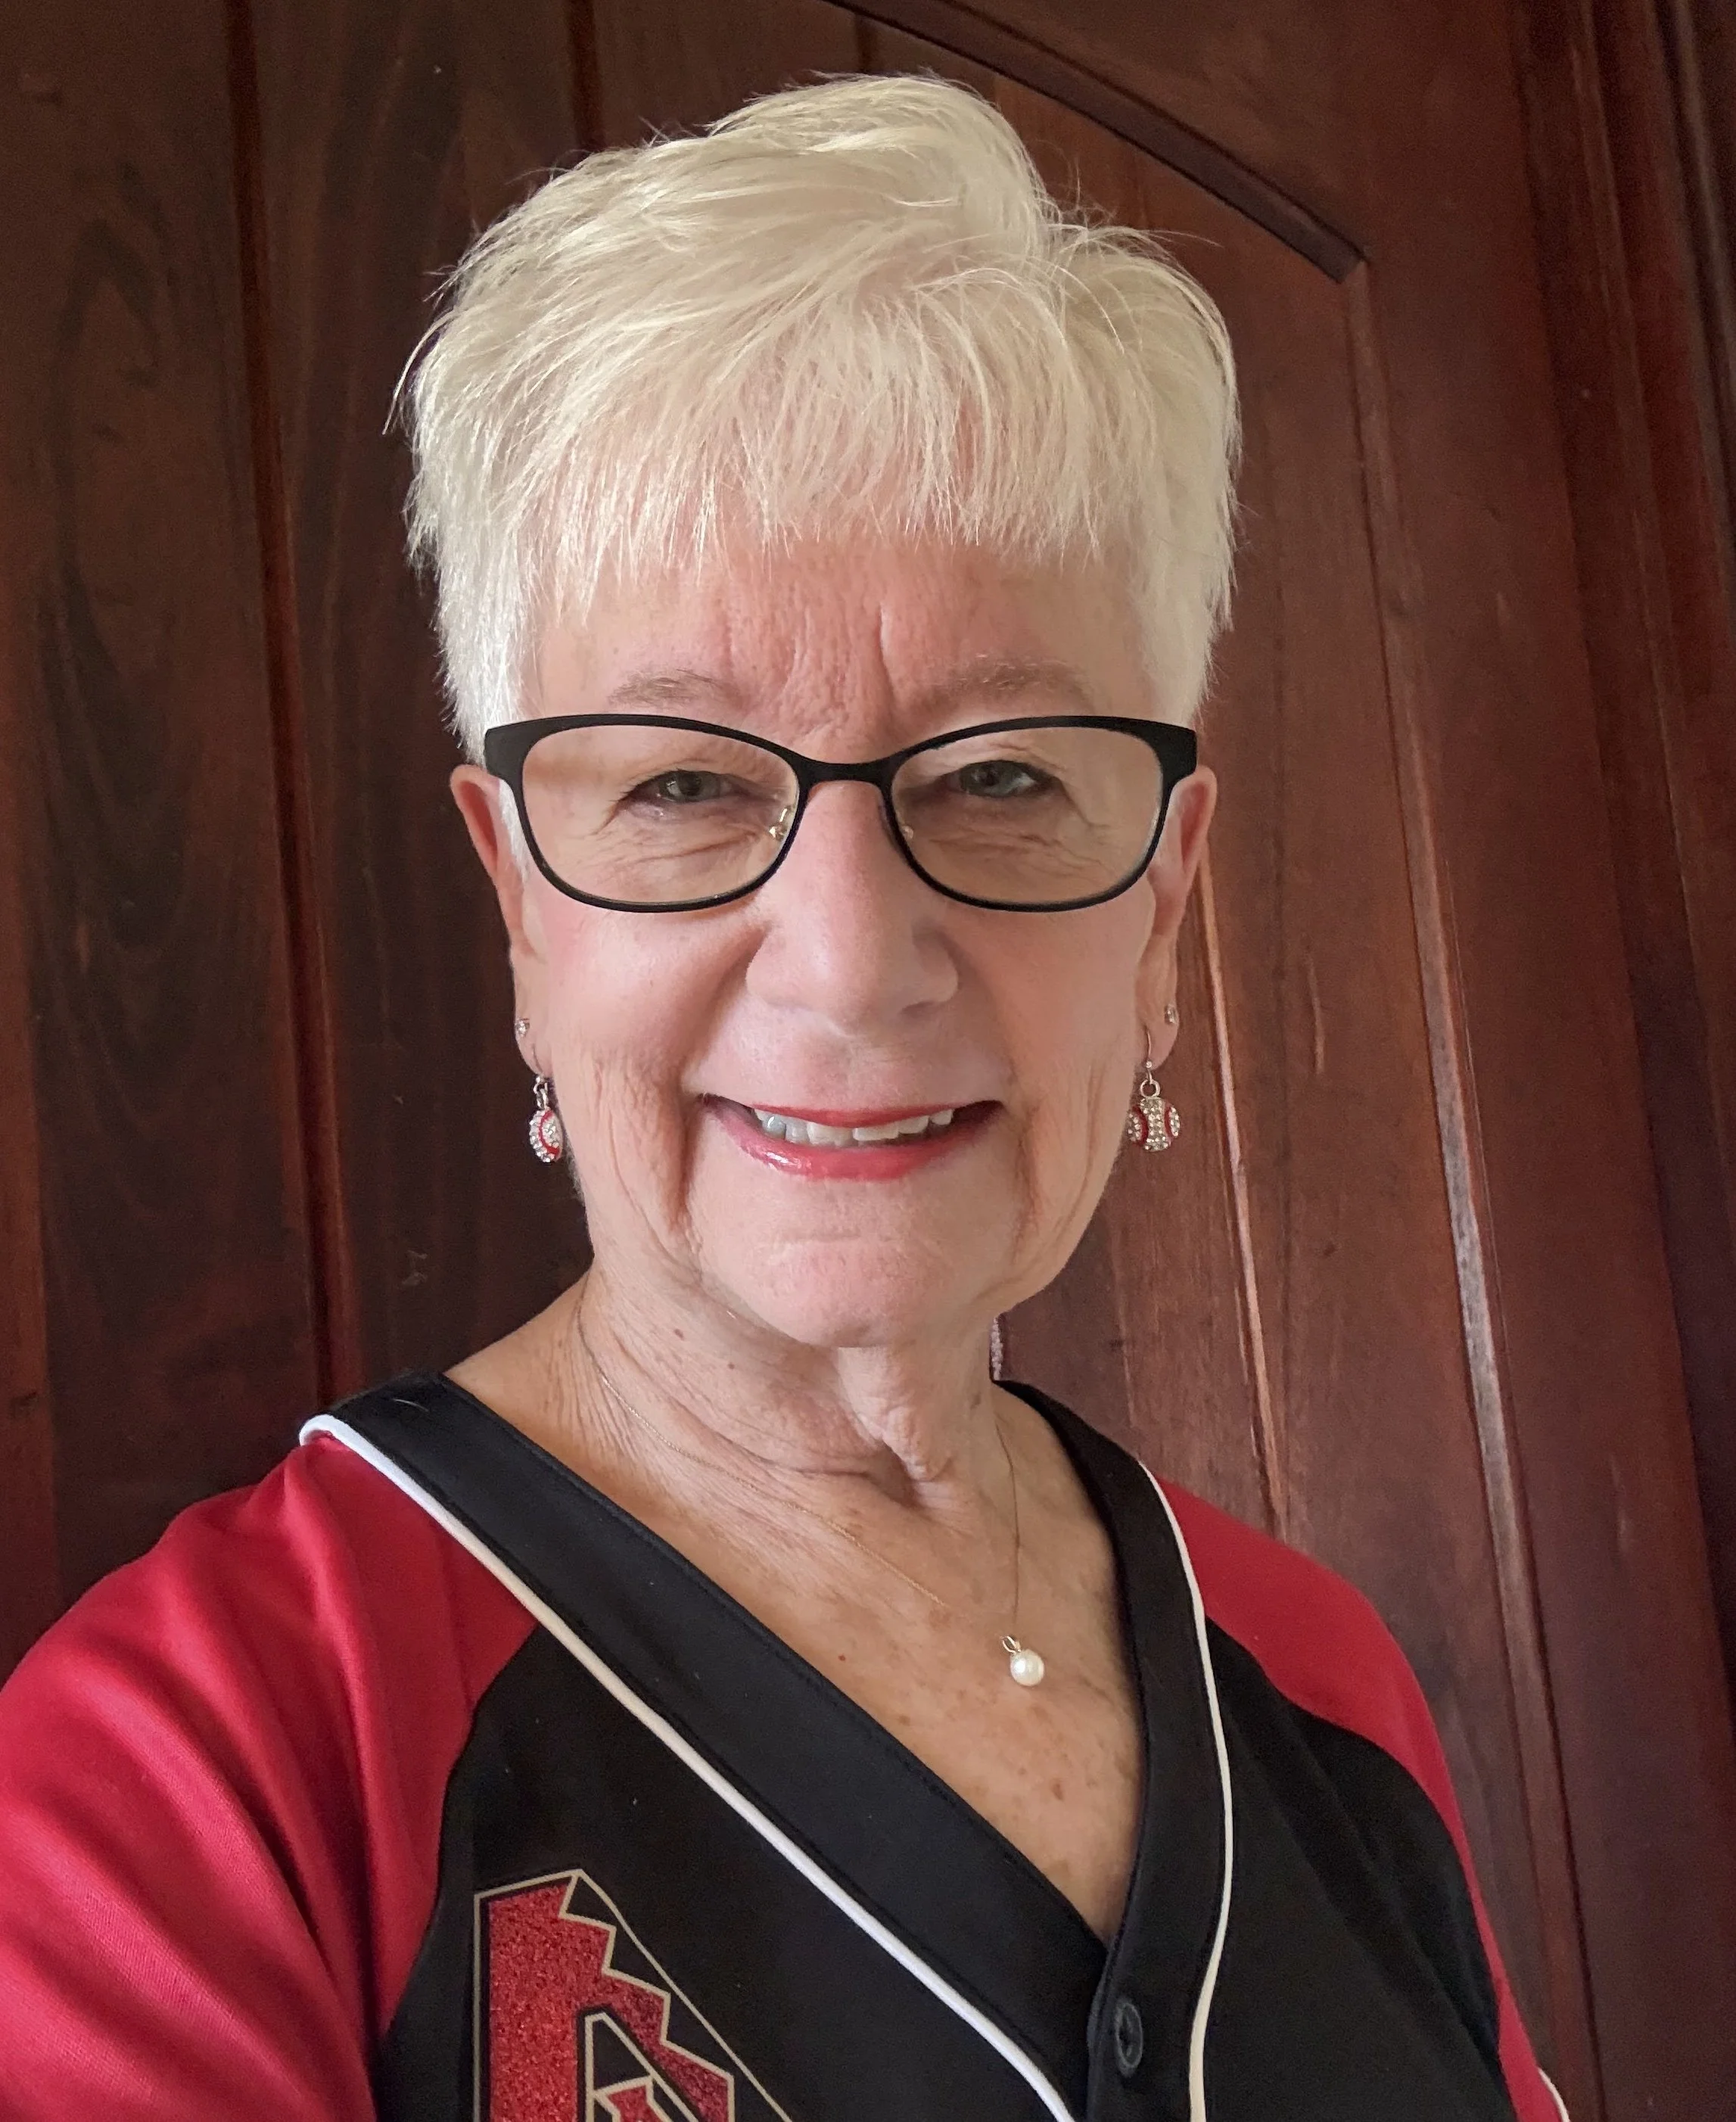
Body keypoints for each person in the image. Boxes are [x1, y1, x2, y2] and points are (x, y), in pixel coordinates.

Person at [0, 75, 1566, 2122]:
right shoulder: (196, 1771)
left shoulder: (1318, 1678)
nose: (847, 958)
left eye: (1001, 775)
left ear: (1165, 907)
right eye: (680, 783)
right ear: (518, 900)